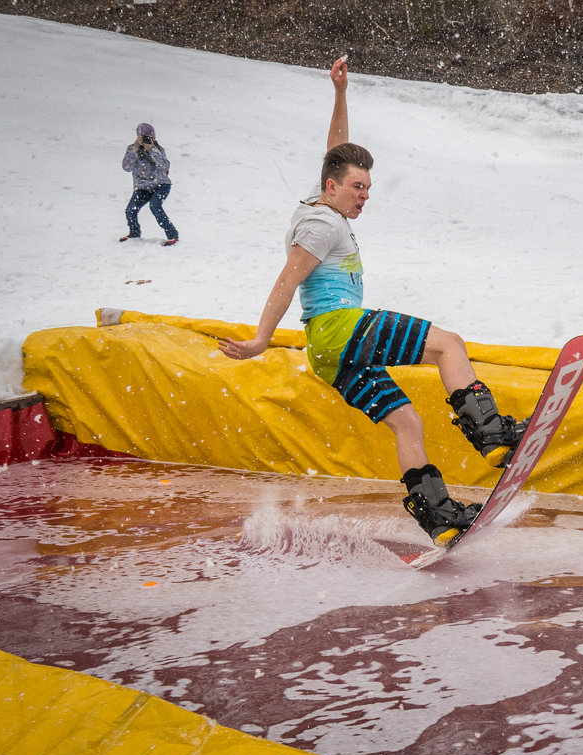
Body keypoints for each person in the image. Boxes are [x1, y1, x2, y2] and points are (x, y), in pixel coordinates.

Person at [218, 56, 524, 547]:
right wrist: (261, 339)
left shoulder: (317, 202)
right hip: (344, 329)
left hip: (329, 355)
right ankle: (491, 435)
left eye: (368, 188)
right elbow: (286, 279)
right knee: (449, 345)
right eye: (357, 188)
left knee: (407, 421)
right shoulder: (321, 224)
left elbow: (334, 152)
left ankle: (439, 517)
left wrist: (339, 94)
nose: (364, 197)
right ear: (332, 188)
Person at [120, 123, 179, 246]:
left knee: (155, 206)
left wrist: (152, 149)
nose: (147, 139)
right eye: (144, 137)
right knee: (130, 210)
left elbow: (165, 166)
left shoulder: (158, 150)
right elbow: (126, 167)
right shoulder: (132, 149)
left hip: (161, 185)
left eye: (150, 137)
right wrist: (135, 150)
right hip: (142, 188)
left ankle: (172, 235)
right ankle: (134, 233)